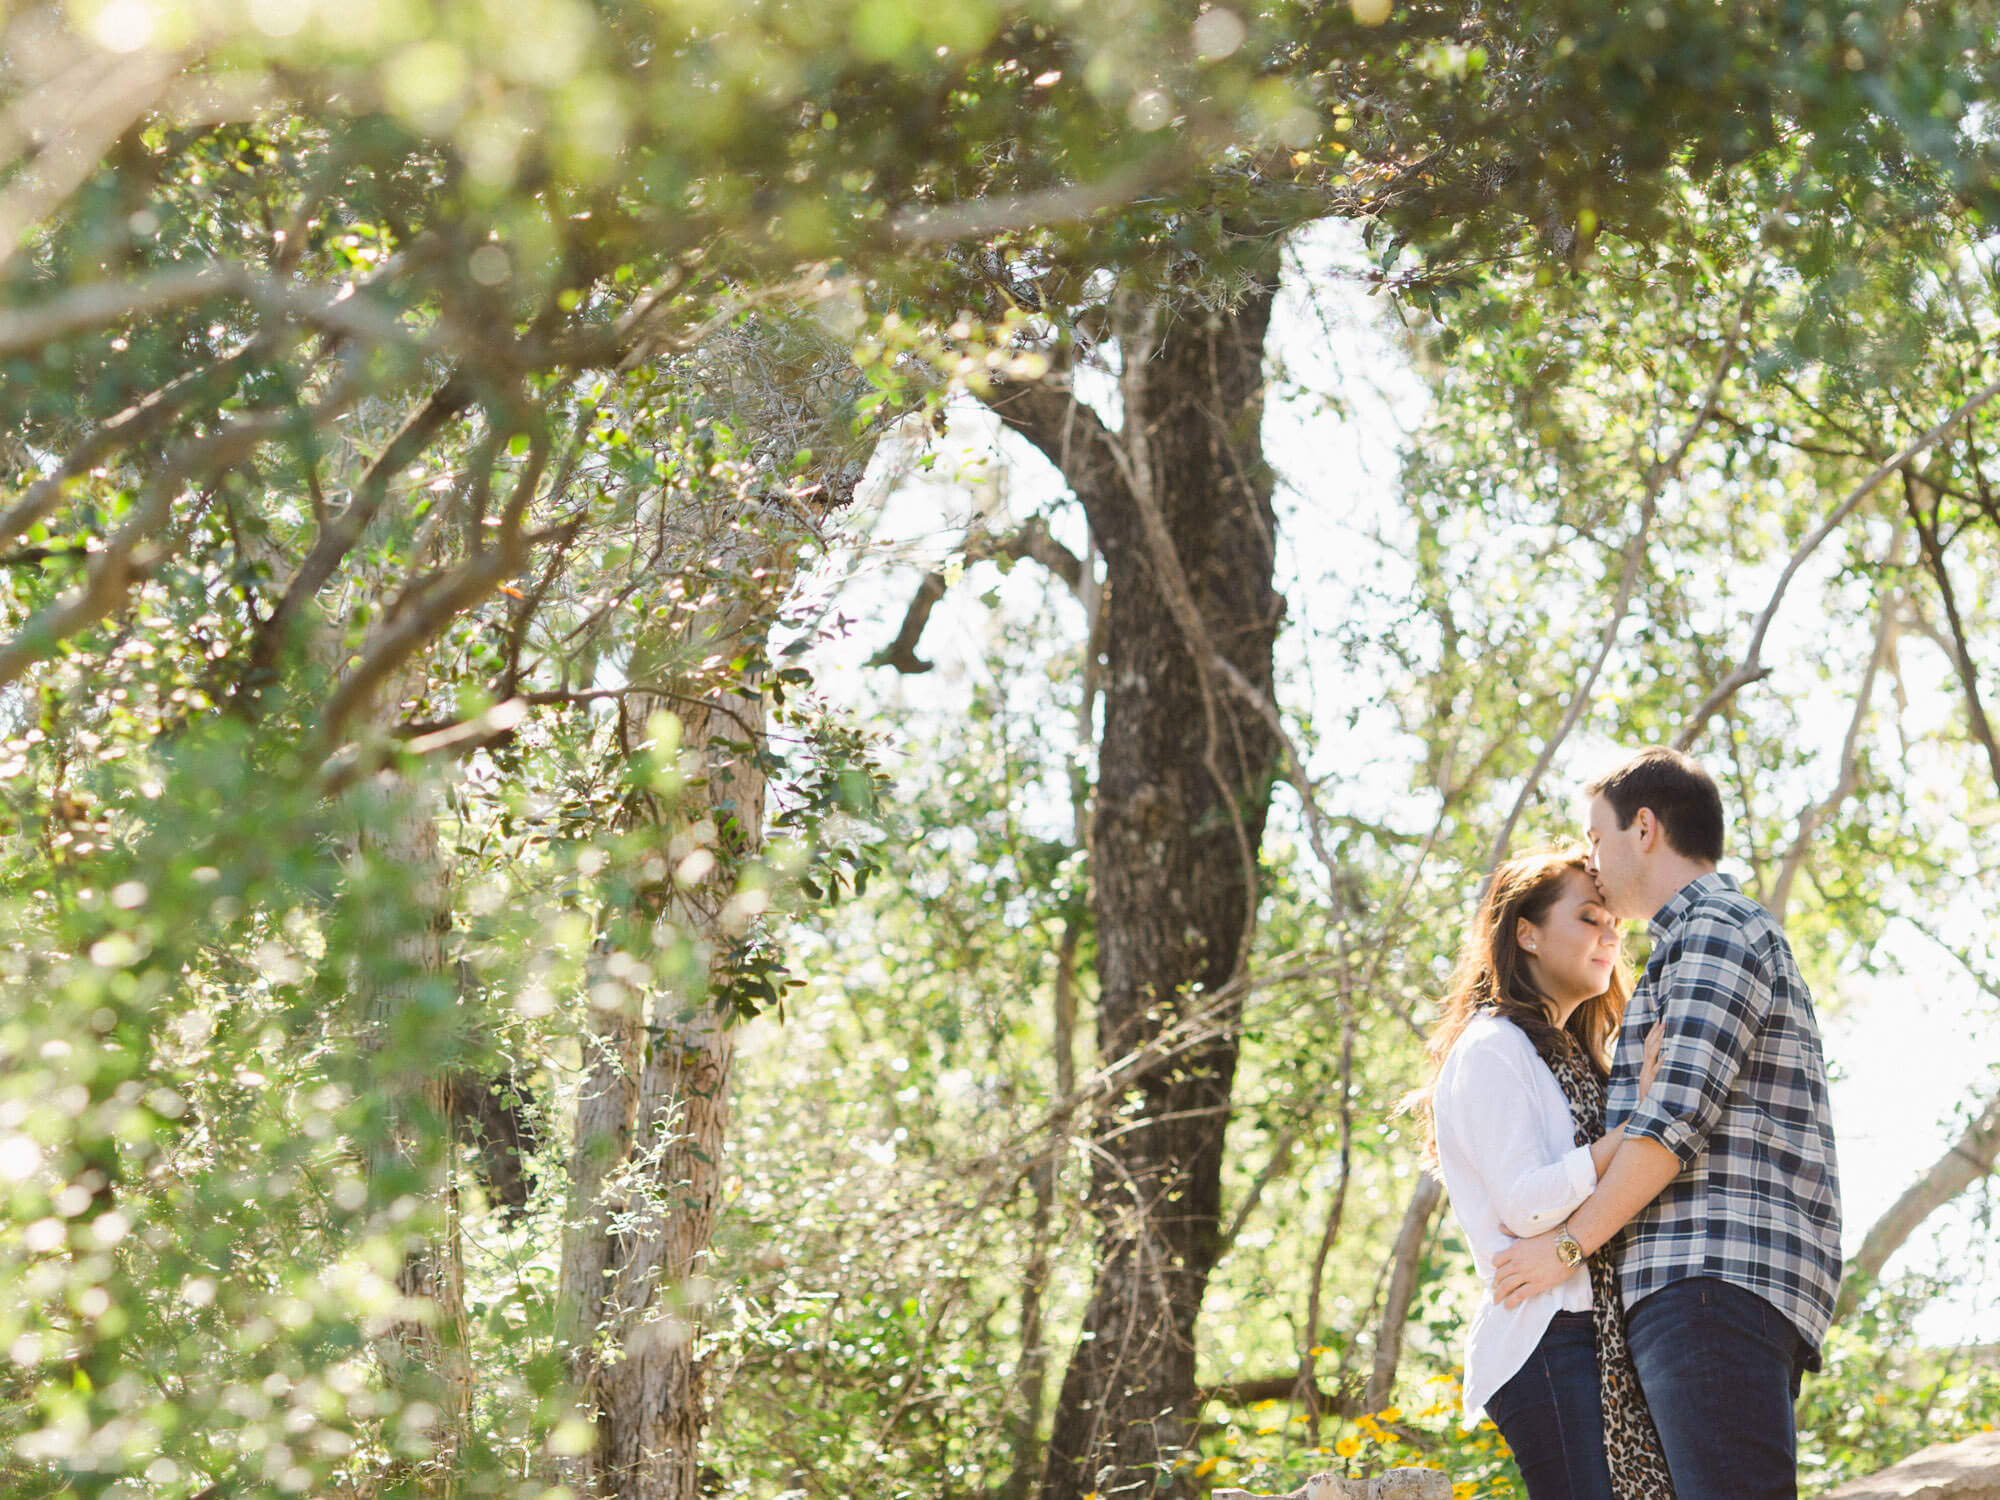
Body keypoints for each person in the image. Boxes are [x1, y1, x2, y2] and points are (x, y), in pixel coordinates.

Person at [1491, 748, 1843, 1500]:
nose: (1592, 857)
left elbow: (1669, 1129)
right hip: (1705, 1286)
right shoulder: (1684, 948)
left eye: (1596, 835)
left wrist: (1565, 1246)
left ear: (1643, 828)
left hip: (1712, 1276)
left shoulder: (1718, 930)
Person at [1408, 845, 1674, 1500]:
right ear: (1525, 932)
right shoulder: (1493, 1047)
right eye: (1588, 918)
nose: (1609, 935)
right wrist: (1634, 1127)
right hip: (1546, 1336)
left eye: (1613, 923)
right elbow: (1527, 1204)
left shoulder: (1574, 1057)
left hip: (1594, 1336)